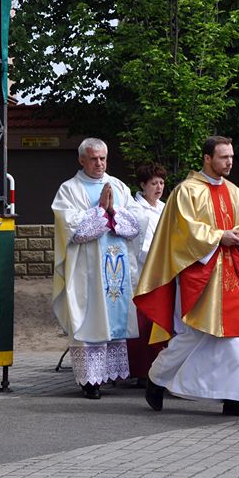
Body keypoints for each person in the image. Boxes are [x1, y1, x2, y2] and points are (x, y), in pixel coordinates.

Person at [133, 136, 239, 418]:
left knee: (235, 336)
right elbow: (183, 232)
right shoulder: (186, 192)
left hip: (231, 270)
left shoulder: (233, 190)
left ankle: (234, 398)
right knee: (194, 333)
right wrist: (219, 237)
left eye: (230, 156)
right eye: (223, 157)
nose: (229, 162)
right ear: (207, 158)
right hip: (201, 272)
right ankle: (156, 379)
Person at [52, 138, 140, 400]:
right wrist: (101, 211)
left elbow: (135, 223)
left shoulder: (119, 186)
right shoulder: (69, 190)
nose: (99, 163)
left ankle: (109, 374)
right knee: (89, 320)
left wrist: (114, 210)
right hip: (87, 272)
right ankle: (89, 381)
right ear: (81, 160)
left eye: (103, 158)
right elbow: (73, 228)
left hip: (116, 269)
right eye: (93, 158)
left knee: (112, 317)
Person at [127, 162, 167, 382]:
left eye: (161, 182)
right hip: (143, 271)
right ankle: (141, 371)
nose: (159, 187)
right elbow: (138, 244)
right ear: (143, 185)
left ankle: (158, 368)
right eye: (154, 183)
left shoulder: (164, 207)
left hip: (163, 271)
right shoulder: (135, 210)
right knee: (142, 322)